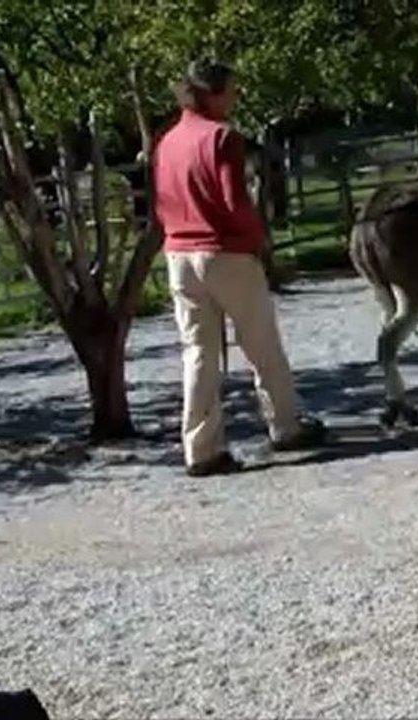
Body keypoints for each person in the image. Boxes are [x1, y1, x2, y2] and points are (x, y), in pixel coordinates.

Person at [153, 58, 326, 477]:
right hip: (224, 252)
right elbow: (236, 203)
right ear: (212, 93)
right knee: (261, 343)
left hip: (179, 254)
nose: (234, 97)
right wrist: (258, 242)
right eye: (230, 90)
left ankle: (201, 448)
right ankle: (285, 426)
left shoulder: (167, 142)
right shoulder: (222, 138)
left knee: (199, 353)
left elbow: (159, 202)